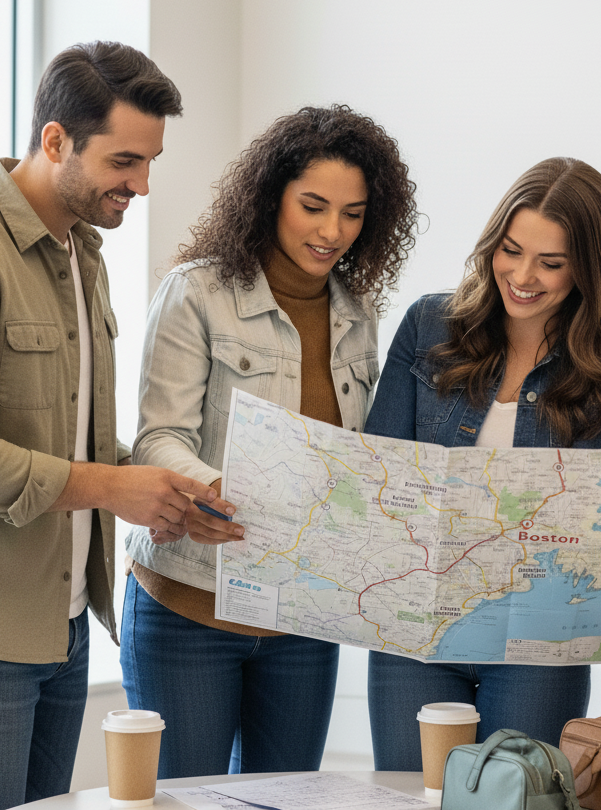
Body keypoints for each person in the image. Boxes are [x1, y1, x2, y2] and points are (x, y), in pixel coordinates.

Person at [0, 42, 222, 810]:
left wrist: (168, 489)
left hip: (58, 628)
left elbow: (73, 442)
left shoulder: (81, 256)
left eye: (150, 161)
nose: (143, 184)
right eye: (125, 161)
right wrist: (112, 487)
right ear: (55, 140)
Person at [121, 104, 419, 777]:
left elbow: (357, 455)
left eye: (352, 213)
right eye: (313, 205)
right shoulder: (195, 293)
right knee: (183, 799)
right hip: (187, 606)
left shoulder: (358, 312)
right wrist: (213, 487)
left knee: (283, 799)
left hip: (302, 617)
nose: (332, 230)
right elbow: (158, 437)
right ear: (270, 196)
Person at [364, 157, 601, 770]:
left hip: (536, 636)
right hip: (418, 626)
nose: (523, 276)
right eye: (511, 251)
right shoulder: (429, 325)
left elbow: (579, 516)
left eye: (551, 262)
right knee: (418, 794)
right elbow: (381, 474)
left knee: (521, 797)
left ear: (588, 269)